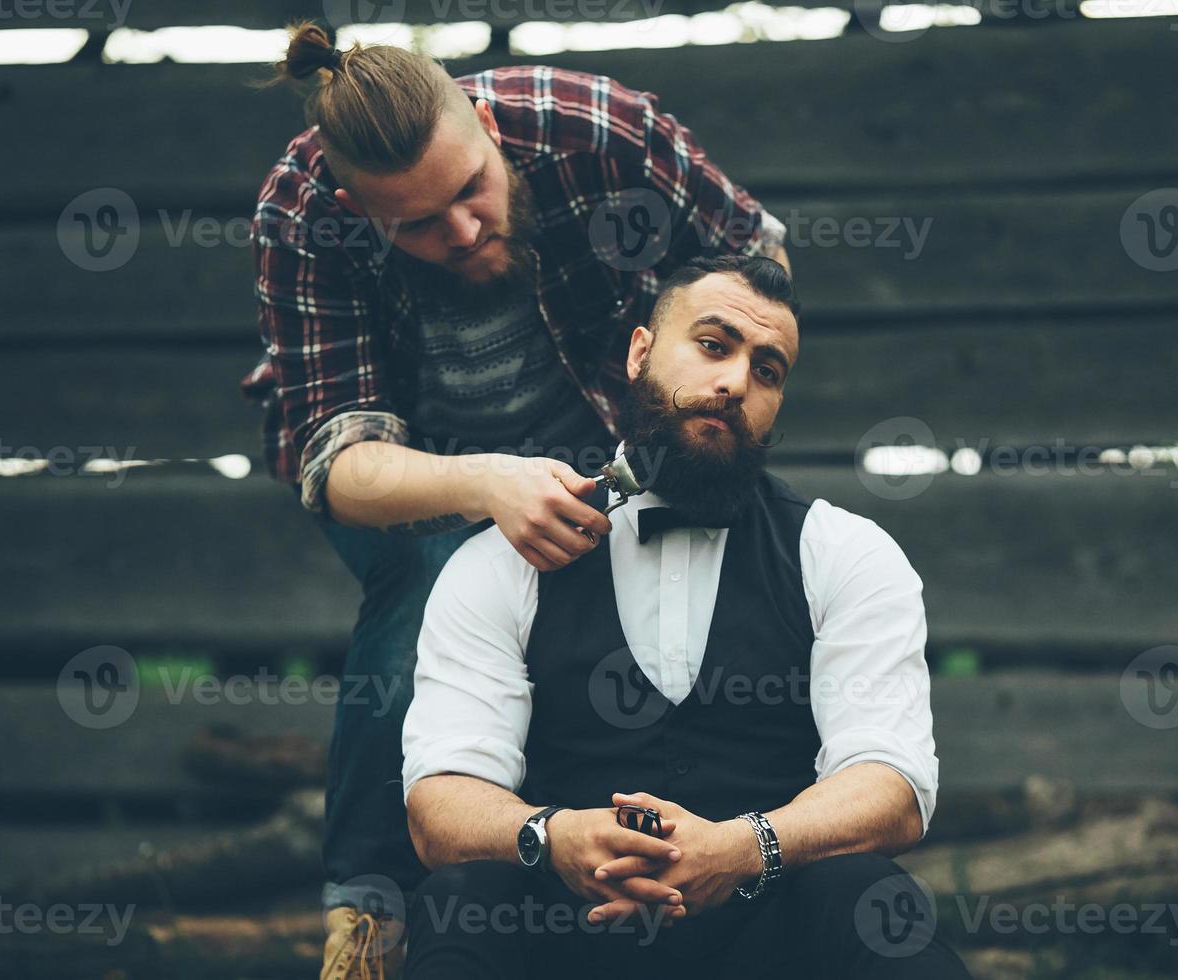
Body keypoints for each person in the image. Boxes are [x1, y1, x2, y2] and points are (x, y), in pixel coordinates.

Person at [240, 24, 791, 978]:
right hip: (424, 477)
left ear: (486, 127)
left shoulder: (599, 128)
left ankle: (663, 872)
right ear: (352, 204)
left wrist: (688, 386)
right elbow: (340, 464)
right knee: (431, 584)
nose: (459, 231)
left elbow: (759, 265)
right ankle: (371, 915)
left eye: (470, 190)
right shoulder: (299, 215)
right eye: (413, 223)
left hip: (612, 443)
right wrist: (487, 485)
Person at [401, 256, 971, 979]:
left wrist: (746, 848)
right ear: (640, 353)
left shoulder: (845, 552)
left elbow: (891, 786)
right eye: (712, 345)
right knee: (463, 896)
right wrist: (552, 835)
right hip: (568, 942)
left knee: (863, 893)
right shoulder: (503, 561)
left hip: (768, 945)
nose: (735, 381)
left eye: (767, 370)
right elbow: (439, 800)